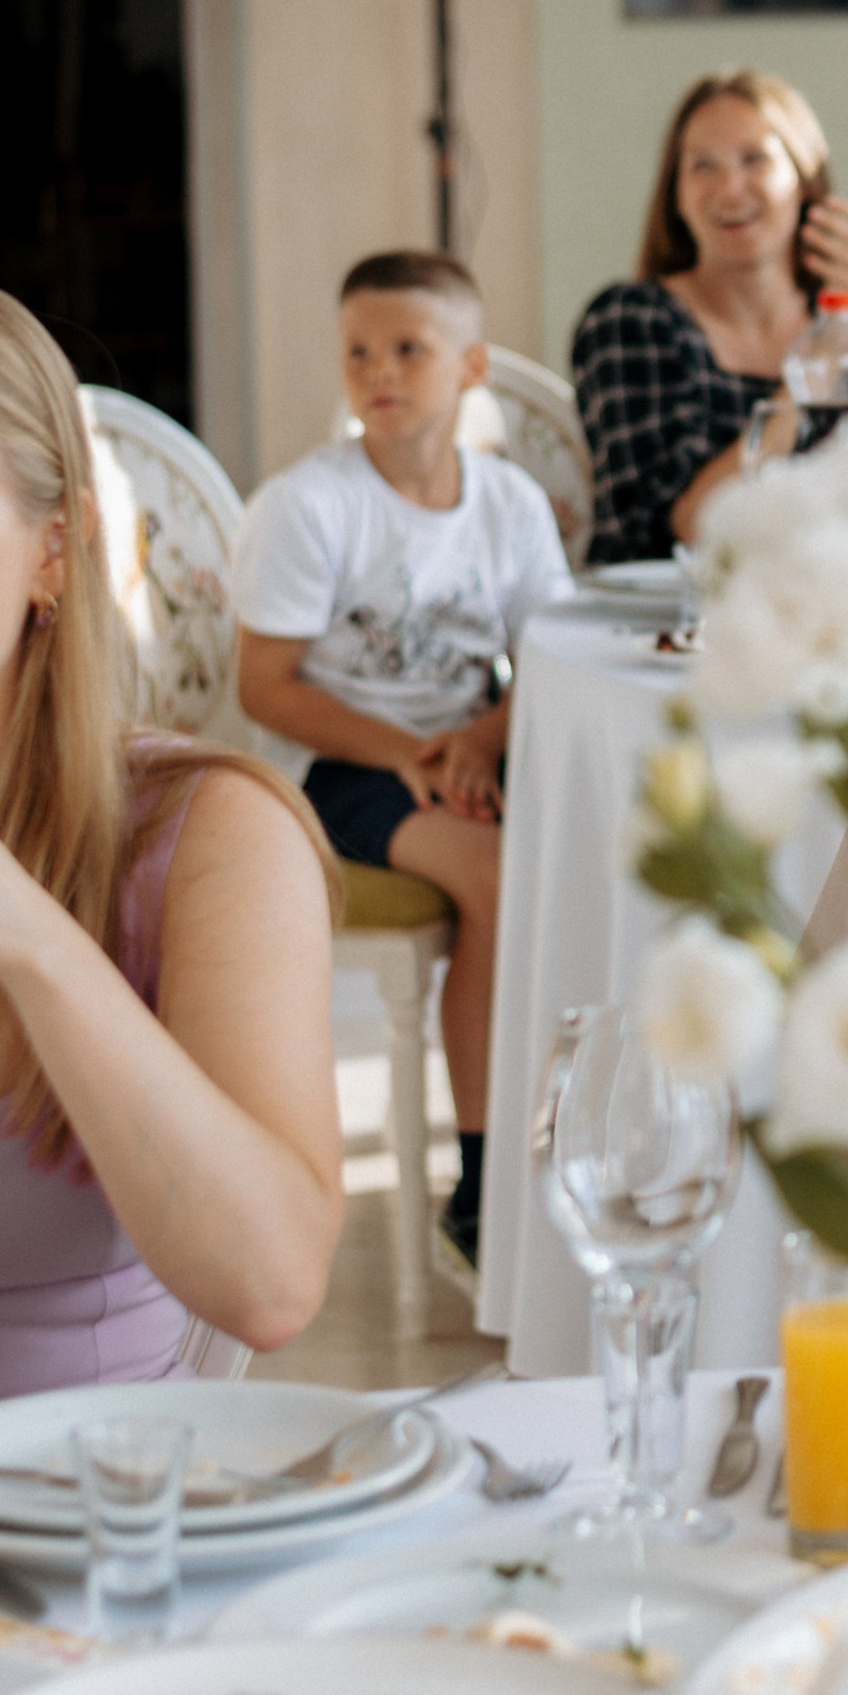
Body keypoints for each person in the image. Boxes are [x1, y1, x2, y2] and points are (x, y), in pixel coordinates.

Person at [0, 273, 337, 1412]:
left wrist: (28, 936)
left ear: (53, 553)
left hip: (80, 1546)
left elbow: (272, 1281)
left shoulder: (211, 837)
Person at [234, 251, 570, 1272]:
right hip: (342, 764)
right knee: (500, 875)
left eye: (409, 350)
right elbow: (265, 686)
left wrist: (475, 742)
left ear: (470, 367)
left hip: (463, 750)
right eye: (359, 352)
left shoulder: (508, 504)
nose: (380, 371)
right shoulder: (313, 503)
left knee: (588, 852)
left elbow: (550, 658)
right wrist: (409, 753)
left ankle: (564, 1149)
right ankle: (483, 1181)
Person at [574, 73, 848, 563]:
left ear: (804, 184)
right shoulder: (630, 321)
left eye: (756, 160)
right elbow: (694, 525)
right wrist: (808, 382)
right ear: (677, 197)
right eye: (703, 167)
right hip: (661, 625)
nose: (730, 189)